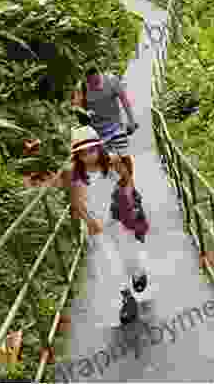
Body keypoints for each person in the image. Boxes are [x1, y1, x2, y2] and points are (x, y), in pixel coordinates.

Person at [49, 126, 150, 324]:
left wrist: (129, 200)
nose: (89, 156)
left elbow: (127, 180)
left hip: (119, 216)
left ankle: (139, 273)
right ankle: (127, 298)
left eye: (92, 150)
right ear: (77, 155)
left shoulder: (111, 161)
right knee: (110, 261)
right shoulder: (73, 173)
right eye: (83, 153)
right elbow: (76, 201)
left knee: (129, 254)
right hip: (97, 222)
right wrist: (88, 221)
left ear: (99, 148)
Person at [72, 65, 140, 187]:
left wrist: (131, 121)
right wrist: (83, 113)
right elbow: (77, 109)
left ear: (100, 75)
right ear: (86, 80)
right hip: (97, 132)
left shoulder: (112, 80)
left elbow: (124, 100)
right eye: (91, 83)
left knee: (124, 155)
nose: (95, 85)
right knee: (109, 161)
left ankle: (130, 186)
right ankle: (122, 185)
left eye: (97, 81)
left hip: (115, 126)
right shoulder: (81, 87)